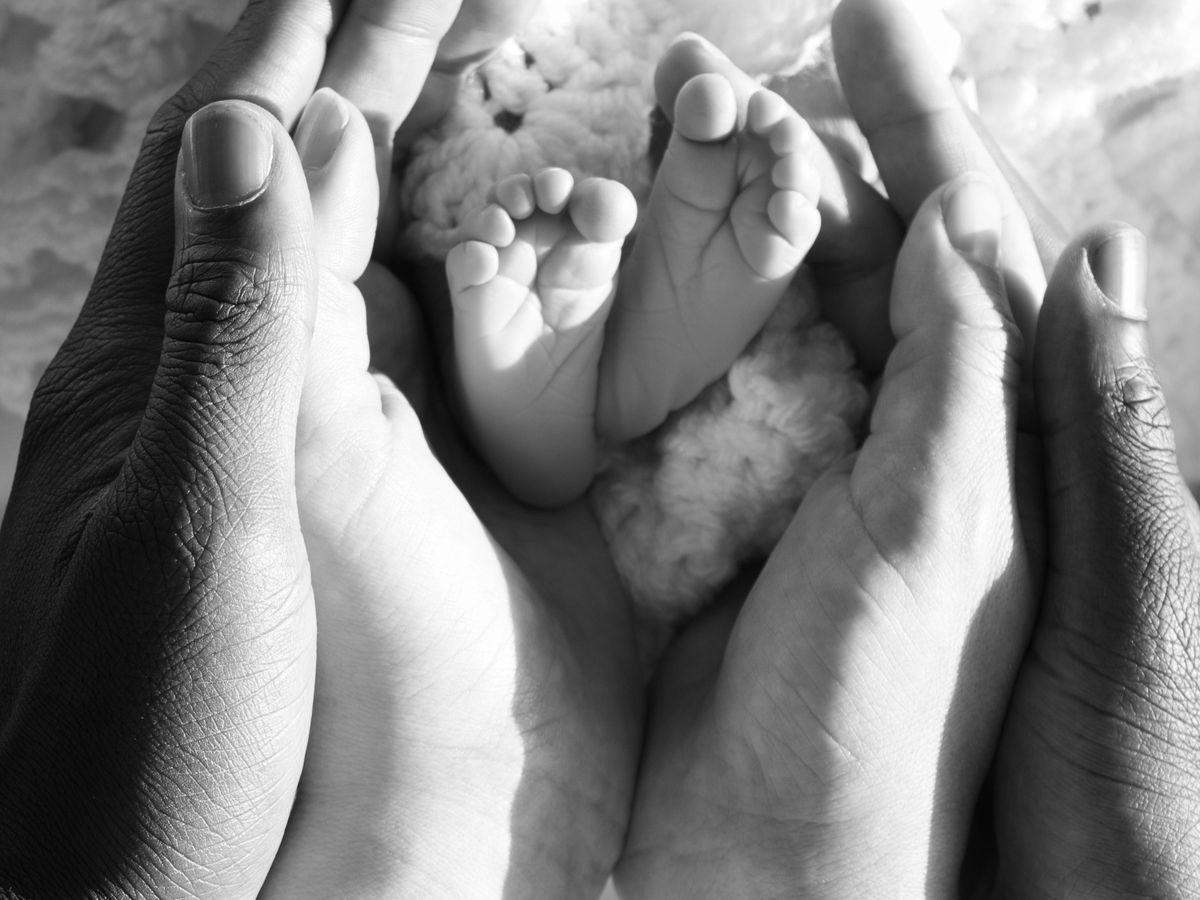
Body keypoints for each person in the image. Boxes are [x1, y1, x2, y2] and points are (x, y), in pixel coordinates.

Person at [0, 4, 1195, 900]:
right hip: (728, 533)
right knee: (657, 385)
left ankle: (571, 367)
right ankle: (599, 358)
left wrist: (400, 823)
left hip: (536, 522)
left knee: (501, 349)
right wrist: (813, 860)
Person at [445, 49, 821, 506]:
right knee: (477, 240)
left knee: (465, 238)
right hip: (593, 110)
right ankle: (592, 389)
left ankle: (524, 402)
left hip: (504, 140)